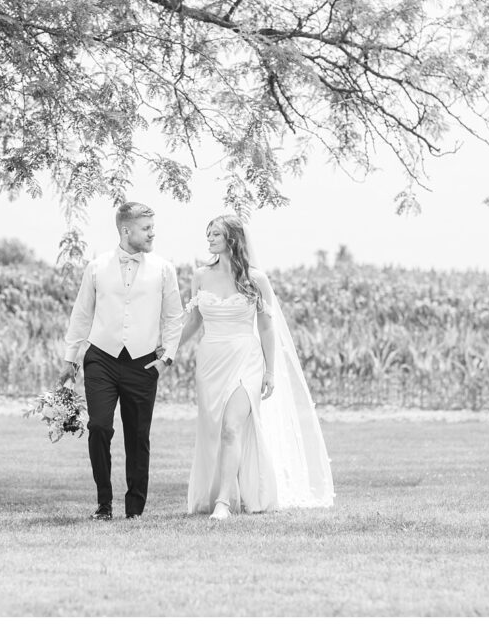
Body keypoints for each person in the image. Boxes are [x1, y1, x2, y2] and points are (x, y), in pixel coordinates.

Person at [179, 214, 334, 520]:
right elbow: (194, 321)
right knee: (213, 429)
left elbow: (265, 327)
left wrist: (270, 370)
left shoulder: (256, 279)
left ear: (232, 240)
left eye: (216, 235)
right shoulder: (200, 276)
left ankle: (223, 502)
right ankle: (224, 493)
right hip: (211, 360)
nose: (209, 240)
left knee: (231, 427)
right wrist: (167, 348)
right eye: (208, 234)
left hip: (245, 359)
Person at [58, 202, 184, 520]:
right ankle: (104, 503)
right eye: (146, 228)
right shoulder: (97, 267)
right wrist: (70, 359)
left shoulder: (163, 269)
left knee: (138, 436)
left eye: (153, 227)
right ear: (126, 230)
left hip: (143, 362)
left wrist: (167, 356)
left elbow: (173, 317)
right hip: (101, 357)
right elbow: (82, 313)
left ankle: (134, 509)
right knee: (99, 426)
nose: (152, 232)